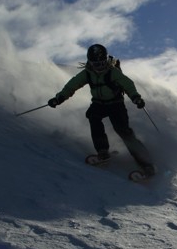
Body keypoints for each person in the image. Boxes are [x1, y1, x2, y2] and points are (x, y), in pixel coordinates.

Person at [48, 44, 155, 176]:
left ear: (106, 61)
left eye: (102, 63)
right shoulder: (87, 73)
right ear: (90, 62)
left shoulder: (113, 72)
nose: (99, 67)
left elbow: (127, 84)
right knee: (93, 117)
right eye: (95, 64)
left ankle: (146, 164)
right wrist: (59, 98)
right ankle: (102, 151)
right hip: (99, 103)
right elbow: (72, 85)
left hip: (116, 104)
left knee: (123, 131)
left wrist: (135, 97)